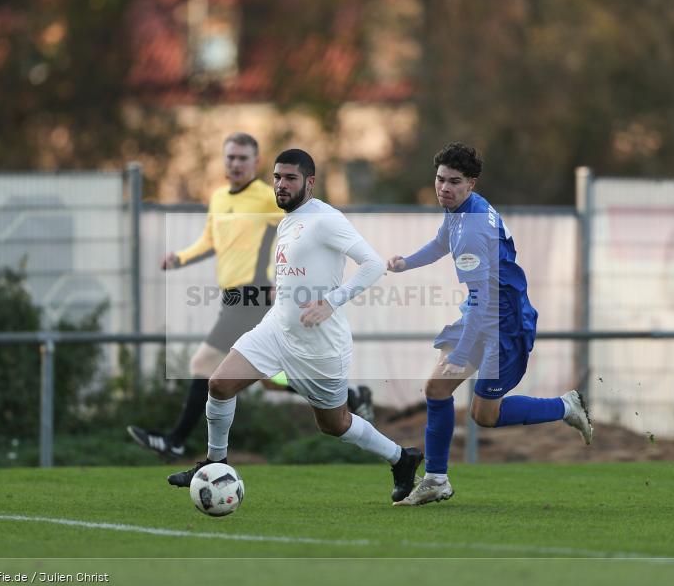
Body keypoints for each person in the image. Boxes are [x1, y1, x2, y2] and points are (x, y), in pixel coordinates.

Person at [167, 149, 423, 502]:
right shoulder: (289, 219)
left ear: (310, 182)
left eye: (290, 178)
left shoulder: (326, 219)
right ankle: (214, 464)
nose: (281, 185)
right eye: (276, 177)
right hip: (277, 331)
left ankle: (402, 458)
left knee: (333, 425)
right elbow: (299, 267)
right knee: (220, 384)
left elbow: (373, 264)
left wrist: (330, 302)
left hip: (320, 345)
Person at [128, 134, 376, 460]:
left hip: (255, 292)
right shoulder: (218, 197)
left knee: (204, 363)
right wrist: (181, 258)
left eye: (243, 158)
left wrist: (278, 279)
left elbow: (293, 235)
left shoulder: (266, 196)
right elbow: (210, 240)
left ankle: (176, 441)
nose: (235, 164)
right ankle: (349, 394)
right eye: (230, 157)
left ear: (256, 163)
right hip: (231, 296)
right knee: (269, 379)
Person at [387, 142, 592, 506]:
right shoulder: (459, 212)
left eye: (454, 182)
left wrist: (463, 350)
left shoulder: (471, 229)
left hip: (503, 323)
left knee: (485, 415)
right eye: (439, 180)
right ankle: (436, 480)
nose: (444, 188)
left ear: (472, 184)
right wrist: (407, 263)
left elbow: (484, 303)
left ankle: (565, 407)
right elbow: (439, 243)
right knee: (437, 390)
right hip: (483, 312)